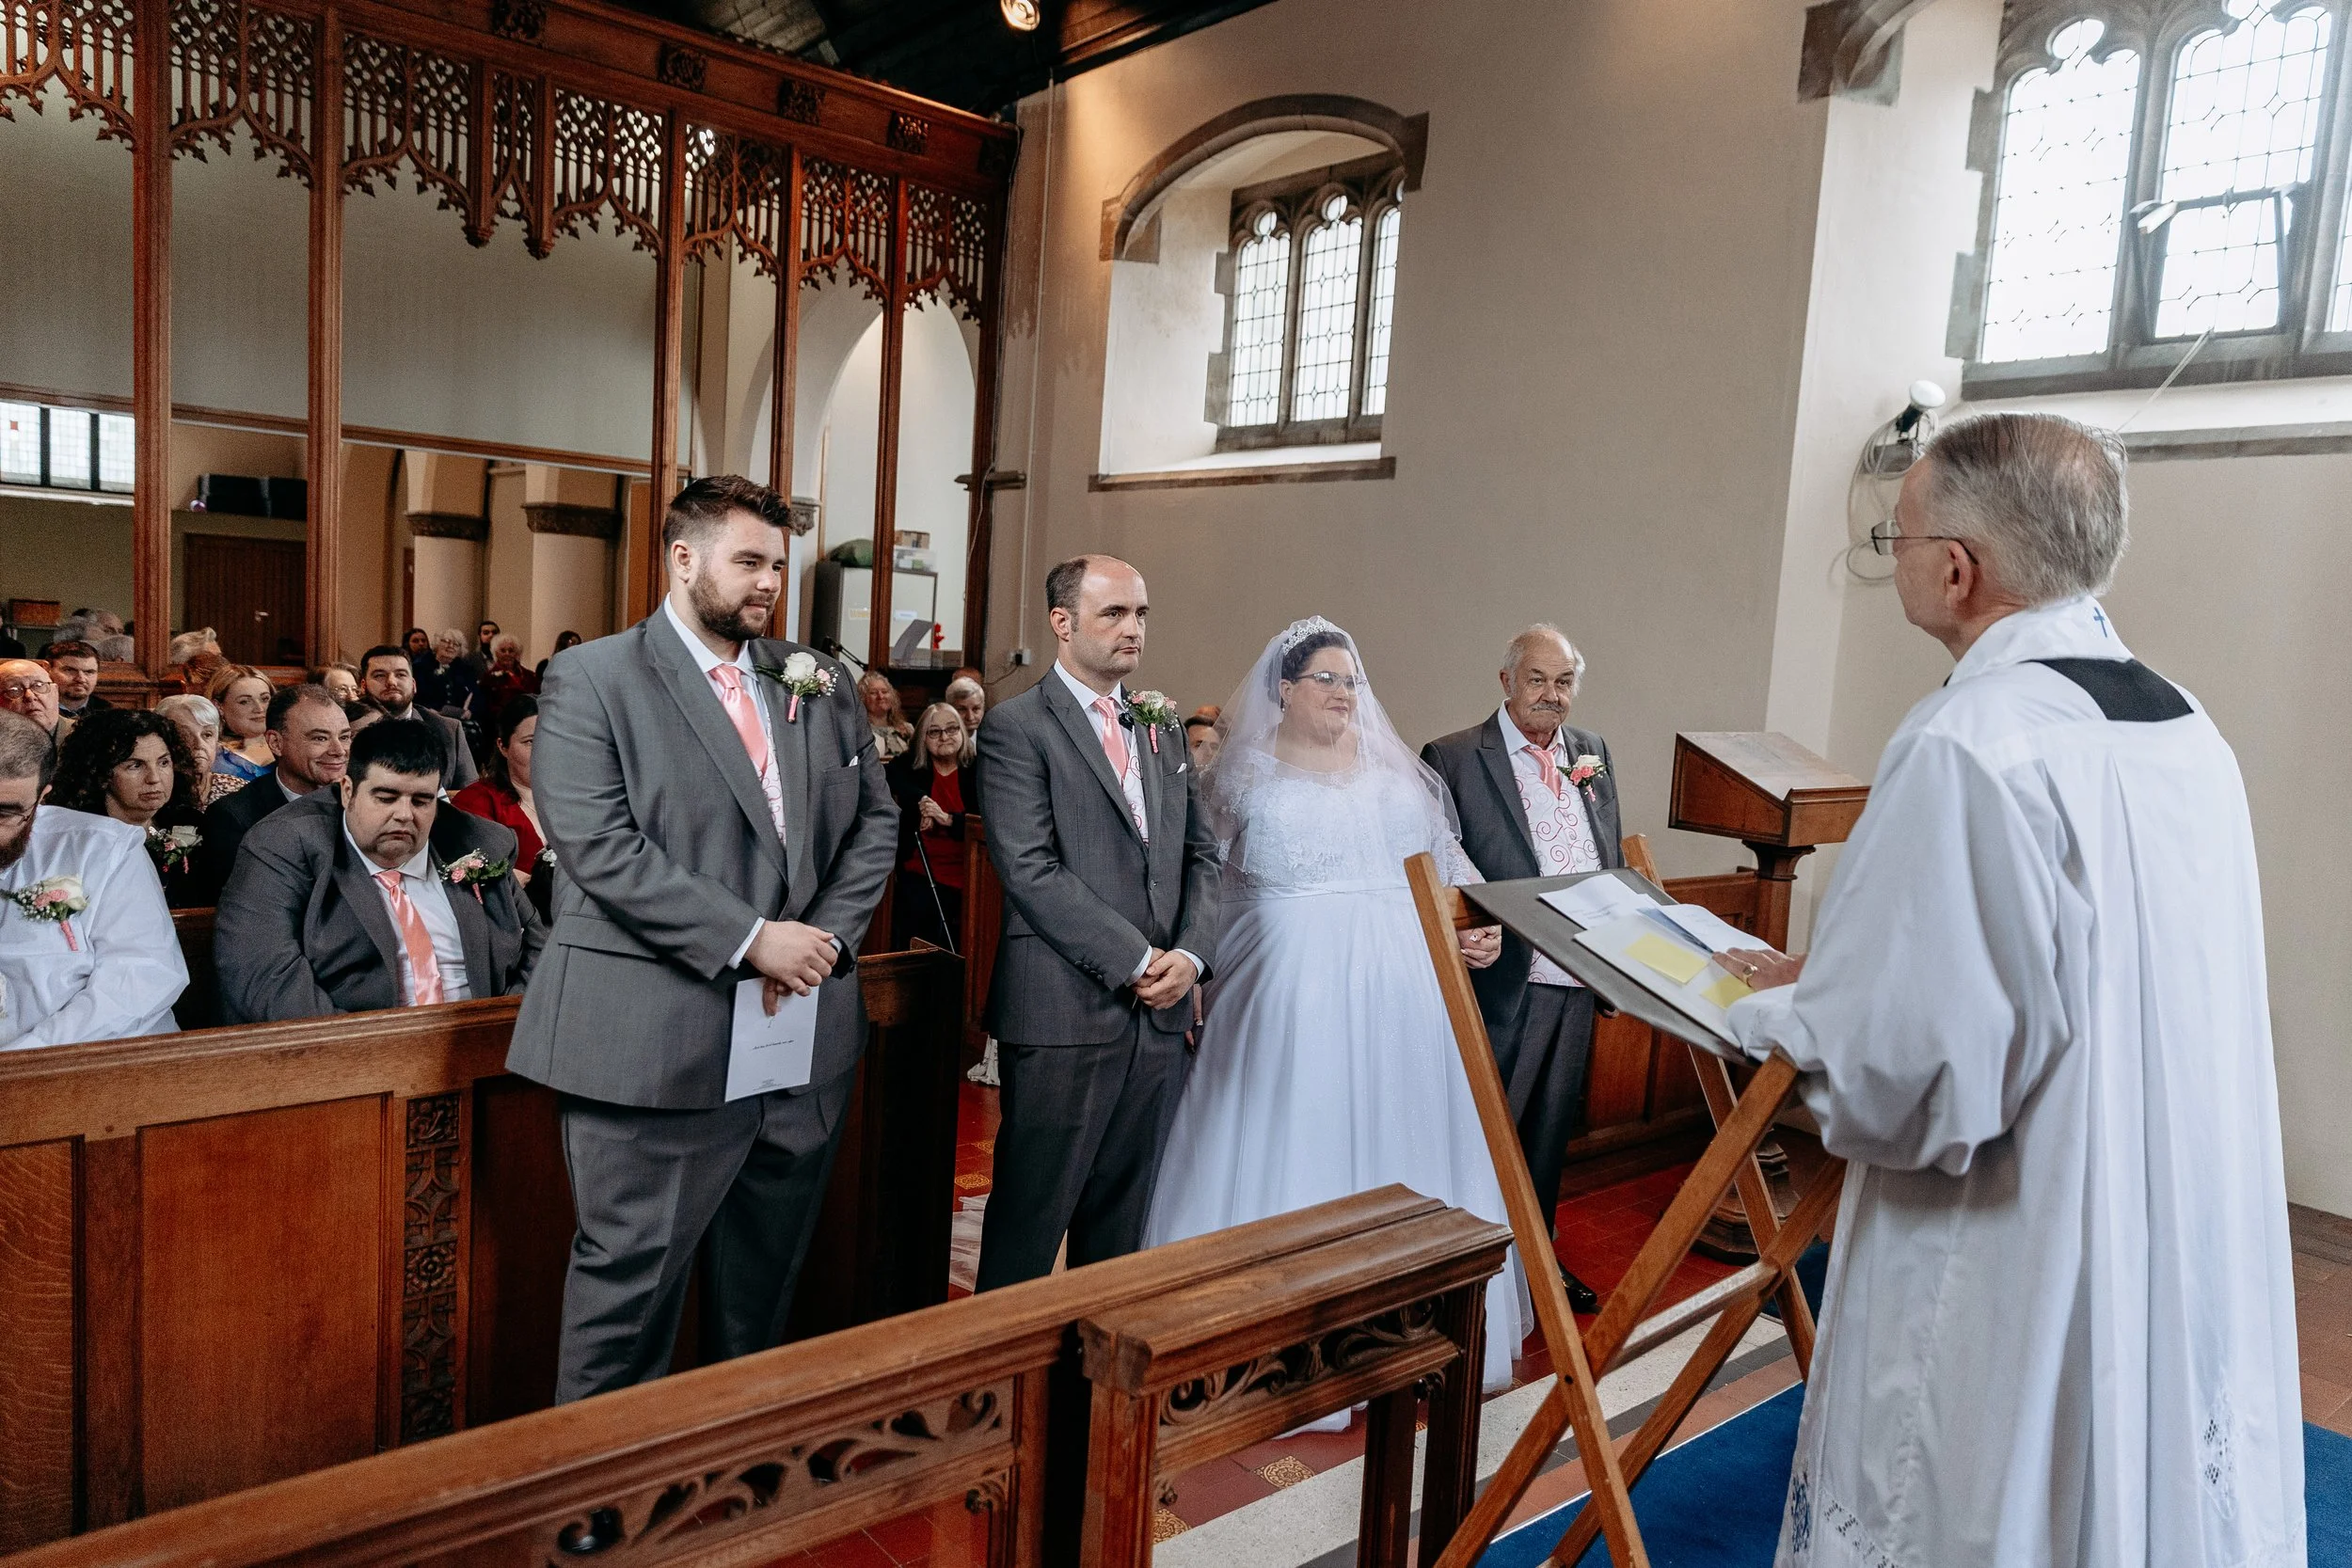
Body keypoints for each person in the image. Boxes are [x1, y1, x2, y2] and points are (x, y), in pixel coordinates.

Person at [1712, 414, 2301, 1566]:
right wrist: (1842, 976)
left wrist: (1775, 1008)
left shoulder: (1968, 741)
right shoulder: (2183, 722)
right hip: (2165, 1194)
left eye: (1900, 531)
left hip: (2018, 1228)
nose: (1897, 553)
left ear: (1956, 566)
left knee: (1981, 1481)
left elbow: (1913, 1079)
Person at [508, 474, 897, 1402]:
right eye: (748, 560)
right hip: (656, 1036)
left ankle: (731, 1482)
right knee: (628, 1294)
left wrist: (826, 942)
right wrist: (751, 937)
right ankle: (596, 1515)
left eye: (779, 563)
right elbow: (597, 844)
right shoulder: (594, 677)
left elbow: (874, 821)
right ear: (684, 558)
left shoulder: (815, 678)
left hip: (800, 1037)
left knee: (759, 1292)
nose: (768, 581)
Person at [1140, 618, 1522, 1386]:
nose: (1345, 693)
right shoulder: (1241, 776)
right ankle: (1278, 1331)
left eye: (1353, 680)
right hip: (1287, 983)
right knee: (1297, 1130)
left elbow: (1450, 865)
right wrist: (1191, 963)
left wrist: (1478, 925)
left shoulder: (1395, 774)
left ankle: (1408, 1323)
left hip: (1402, 986)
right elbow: (1202, 879)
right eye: (1328, 679)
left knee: (1403, 1130)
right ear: (1285, 688)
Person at [974, 555, 1221, 1291]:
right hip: (1062, 1014)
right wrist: (1138, 956)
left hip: (1159, 1019)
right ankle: (999, 1395)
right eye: (1114, 613)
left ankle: (1090, 1401)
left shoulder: (1161, 727)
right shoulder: (1018, 726)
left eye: (1141, 613)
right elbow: (1029, 869)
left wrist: (1192, 956)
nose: (1132, 628)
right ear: (1062, 622)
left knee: (1121, 1230)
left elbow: (1202, 856)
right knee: (1028, 1225)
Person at [1421, 625, 1621, 1313]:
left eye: (1564, 681)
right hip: (1504, 982)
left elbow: (1607, 855)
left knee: (1547, 1138)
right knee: (1482, 1137)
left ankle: (1534, 1271)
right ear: (1506, 680)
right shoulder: (1452, 757)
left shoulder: (1591, 752)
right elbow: (1436, 859)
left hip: (1575, 978)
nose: (1551, 695)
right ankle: (1459, 1287)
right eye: (1537, 679)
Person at [215, 719, 541, 1023]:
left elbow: (540, 946)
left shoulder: (477, 841)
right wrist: (379, 1056)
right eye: (386, 797)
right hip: (350, 1060)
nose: (404, 815)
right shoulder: (283, 844)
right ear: (347, 791)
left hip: (483, 1046)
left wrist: (501, 1025)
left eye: (421, 801)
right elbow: (265, 977)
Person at [0, 710, 185, 1049]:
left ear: (42, 798)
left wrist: (24, 1057)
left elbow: (140, 976)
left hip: (95, 1060)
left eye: (6, 813)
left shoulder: (103, 848)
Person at [193, 684, 353, 905]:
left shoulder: (362, 805)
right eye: (320, 738)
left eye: (344, 737)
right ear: (276, 743)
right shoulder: (234, 818)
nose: (339, 751)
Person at [48, 708, 210, 908]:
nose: (154, 778)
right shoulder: (81, 838)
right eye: (135, 765)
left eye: (164, 763)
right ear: (100, 774)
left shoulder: (191, 823)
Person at [887, 703, 979, 950]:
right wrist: (922, 799)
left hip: (971, 870)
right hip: (922, 869)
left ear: (962, 732)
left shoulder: (978, 769)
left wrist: (947, 818)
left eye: (951, 729)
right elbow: (889, 775)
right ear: (922, 738)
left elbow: (986, 822)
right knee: (917, 912)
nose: (945, 737)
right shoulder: (911, 766)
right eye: (934, 732)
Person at [451, 695, 551, 922]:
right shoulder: (476, 802)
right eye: (531, 742)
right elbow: (468, 878)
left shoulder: (577, 798)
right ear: (503, 746)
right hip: (513, 925)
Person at [358, 644, 477, 789]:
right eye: (380, 675)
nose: (391, 682)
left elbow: (469, 795)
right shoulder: (349, 729)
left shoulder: (449, 731)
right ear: (363, 686)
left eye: (400, 674)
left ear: (413, 685)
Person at [205, 665, 277, 790]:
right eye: (244, 701)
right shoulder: (212, 760)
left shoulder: (289, 746)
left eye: (265, 699)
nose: (259, 708)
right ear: (219, 706)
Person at [155, 693, 225, 802]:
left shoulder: (239, 792)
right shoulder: (153, 793)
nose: (199, 745)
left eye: (207, 735)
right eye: (184, 736)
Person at [0, 658, 72, 760]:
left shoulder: (85, 736)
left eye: (38, 685)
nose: (29, 696)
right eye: (14, 690)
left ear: (55, 692)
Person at [476, 633, 540, 727]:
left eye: (511, 650)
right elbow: (485, 707)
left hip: (530, 721)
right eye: (503, 650)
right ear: (496, 653)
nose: (507, 654)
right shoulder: (489, 677)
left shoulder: (530, 675)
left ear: (517, 653)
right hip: (501, 724)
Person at [414, 628, 478, 719]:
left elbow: (475, 695)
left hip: (458, 718)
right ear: (437, 643)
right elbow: (415, 695)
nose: (451, 646)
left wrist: (470, 711)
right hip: (428, 716)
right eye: (447, 641)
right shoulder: (420, 667)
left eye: (456, 644)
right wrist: (427, 709)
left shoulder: (466, 669)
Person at [45, 640, 108, 721]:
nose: (81, 679)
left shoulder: (112, 714)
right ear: (48, 669)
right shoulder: (31, 709)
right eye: (70, 670)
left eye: (89, 672)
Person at [857, 671, 912, 762]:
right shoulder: (858, 732)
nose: (881, 696)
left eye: (885, 691)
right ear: (862, 698)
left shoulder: (908, 730)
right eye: (873, 693)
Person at [944, 675, 986, 764]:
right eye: (962, 709)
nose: (970, 717)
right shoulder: (941, 741)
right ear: (949, 709)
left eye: (976, 709)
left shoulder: (992, 739)